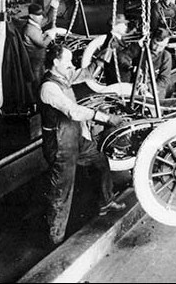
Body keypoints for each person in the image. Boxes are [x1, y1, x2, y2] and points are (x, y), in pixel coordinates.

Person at [40, 44, 127, 245]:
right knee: (62, 191)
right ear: (55, 63)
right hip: (60, 145)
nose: (71, 65)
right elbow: (73, 112)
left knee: (101, 161)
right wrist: (106, 118)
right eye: (67, 61)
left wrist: (107, 48)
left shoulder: (64, 76)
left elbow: (87, 73)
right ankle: (55, 238)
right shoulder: (49, 87)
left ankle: (105, 201)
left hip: (75, 137)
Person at [22, 1, 57, 95]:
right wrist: (51, 35)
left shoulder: (34, 23)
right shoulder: (30, 29)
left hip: (39, 61)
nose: (41, 17)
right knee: (36, 83)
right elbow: (43, 44)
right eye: (39, 15)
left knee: (40, 80)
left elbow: (47, 20)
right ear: (31, 16)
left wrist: (53, 6)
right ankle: (35, 104)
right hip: (34, 62)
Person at [133, 27, 173, 99]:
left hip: (154, 90)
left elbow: (164, 80)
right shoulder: (141, 49)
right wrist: (130, 67)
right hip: (135, 85)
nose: (157, 49)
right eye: (155, 44)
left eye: (161, 46)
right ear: (151, 39)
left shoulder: (166, 56)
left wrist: (148, 86)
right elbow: (122, 57)